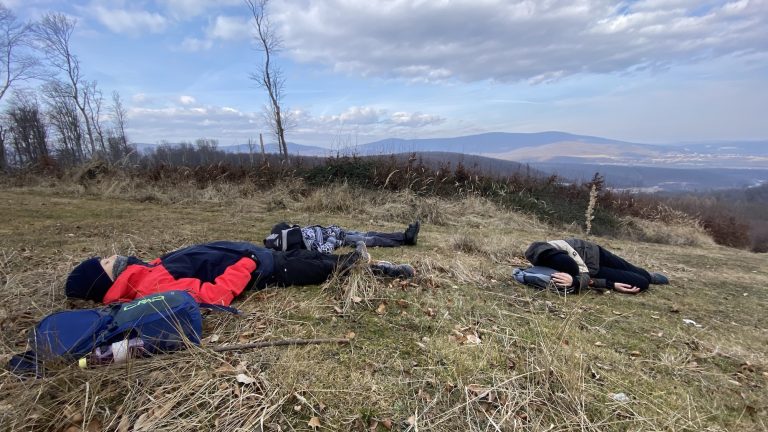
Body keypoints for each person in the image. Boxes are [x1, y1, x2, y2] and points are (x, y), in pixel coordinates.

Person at [65, 240, 415, 306]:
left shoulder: (145, 273)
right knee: (329, 267)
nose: (113, 256)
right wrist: (248, 261)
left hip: (265, 256)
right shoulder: (151, 284)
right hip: (266, 268)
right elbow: (212, 295)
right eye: (107, 262)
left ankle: (362, 260)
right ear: (106, 279)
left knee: (320, 255)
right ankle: (383, 271)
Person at [524, 238, 669, 294]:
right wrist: (611, 284)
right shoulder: (542, 260)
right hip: (593, 271)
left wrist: (574, 281)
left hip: (594, 253)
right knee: (641, 283)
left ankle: (650, 275)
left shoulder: (563, 250)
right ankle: (646, 278)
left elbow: (583, 274)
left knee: (640, 274)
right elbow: (586, 278)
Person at [266, 221, 420, 254]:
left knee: (371, 234)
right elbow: (325, 250)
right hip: (342, 239)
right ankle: (405, 240)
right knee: (370, 240)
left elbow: (318, 230)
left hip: (340, 232)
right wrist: (333, 236)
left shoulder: (298, 232)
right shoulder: (307, 245)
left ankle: (404, 236)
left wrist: (331, 229)